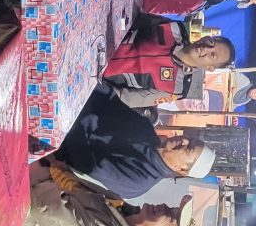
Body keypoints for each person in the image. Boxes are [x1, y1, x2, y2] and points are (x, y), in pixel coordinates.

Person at [17, 161, 200, 226]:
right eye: (171, 207)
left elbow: (43, 207)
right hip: (28, 176)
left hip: (15, 198)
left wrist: (38, 165)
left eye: (170, 214)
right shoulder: (123, 212)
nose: (164, 206)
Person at [55, 81, 215, 196]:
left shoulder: (138, 180)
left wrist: (75, 113)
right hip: (73, 100)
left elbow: (86, 161)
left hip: (58, 135)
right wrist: (88, 82)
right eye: (190, 139)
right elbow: (111, 102)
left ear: (182, 170)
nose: (184, 141)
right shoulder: (147, 131)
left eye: (189, 148)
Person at [104, 19, 235, 99]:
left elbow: (127, 98)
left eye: (212, 55)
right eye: (211, 42)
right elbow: (134, 19)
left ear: (209, 68)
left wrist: (100, 86)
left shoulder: (178, 88)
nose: (206, 48)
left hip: (100, 77)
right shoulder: (175, 28)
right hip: (102, 39)